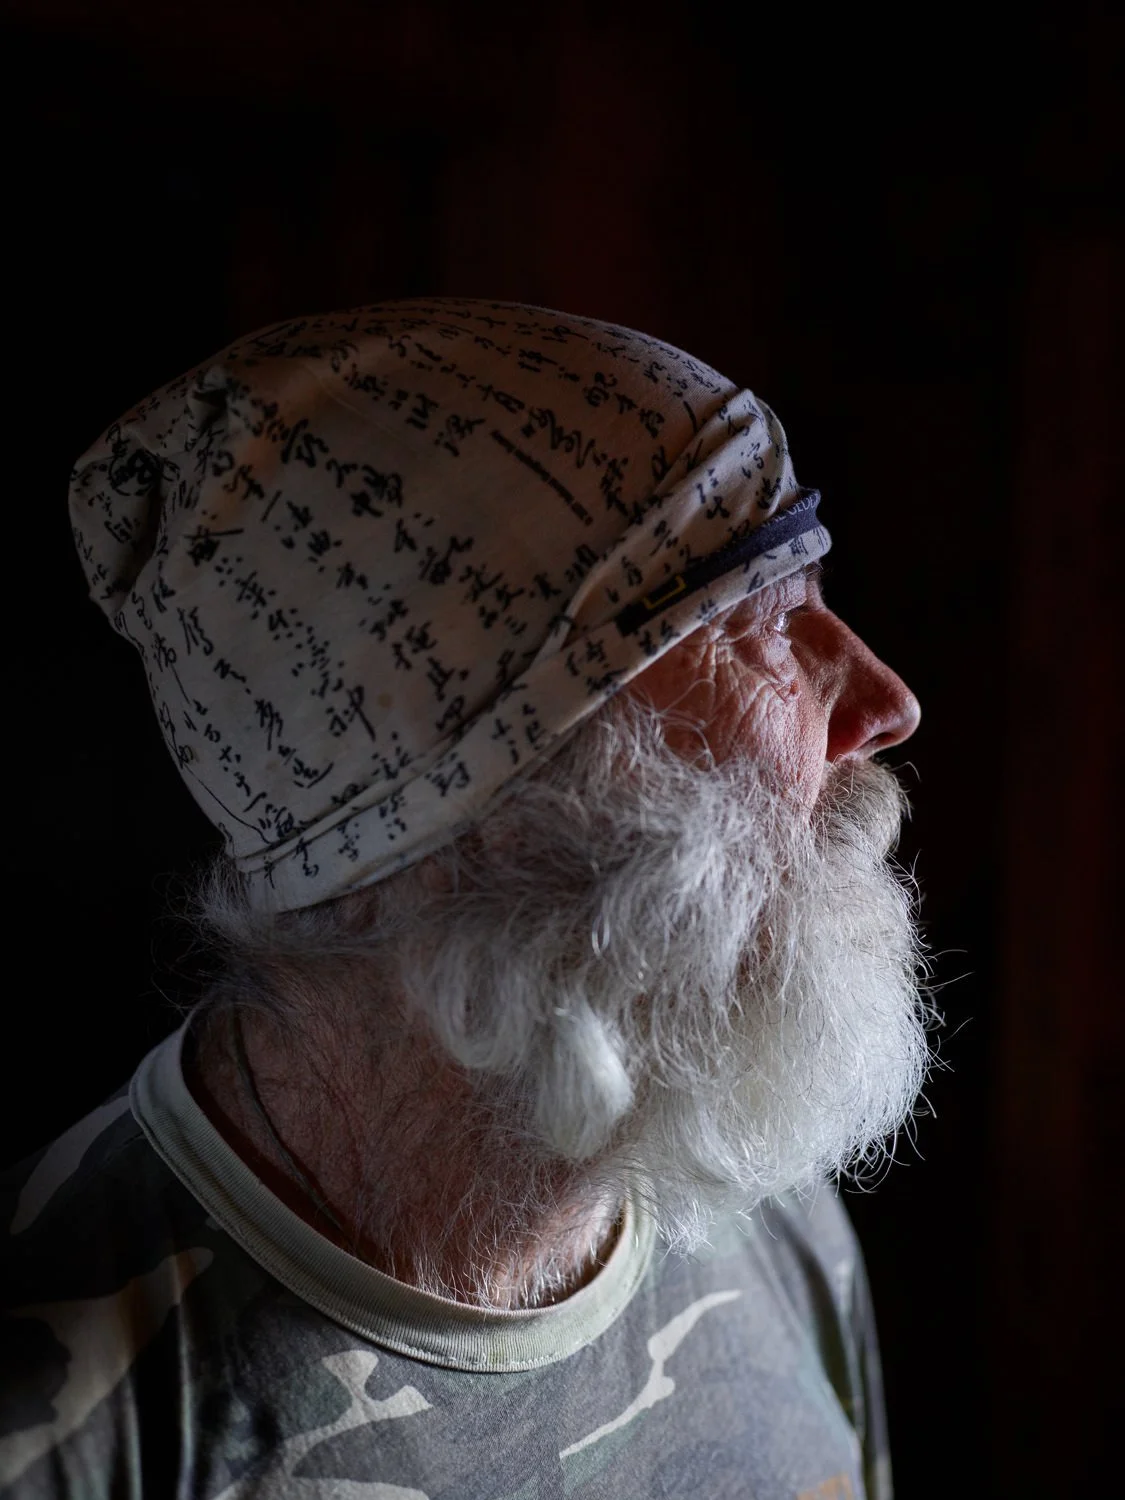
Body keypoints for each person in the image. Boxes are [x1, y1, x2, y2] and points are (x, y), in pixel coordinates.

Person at [1, 299, 932, 1498]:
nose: (882, 698)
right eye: (758, 622)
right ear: (475, 797)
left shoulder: (766, 1220)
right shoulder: (58, 1420)